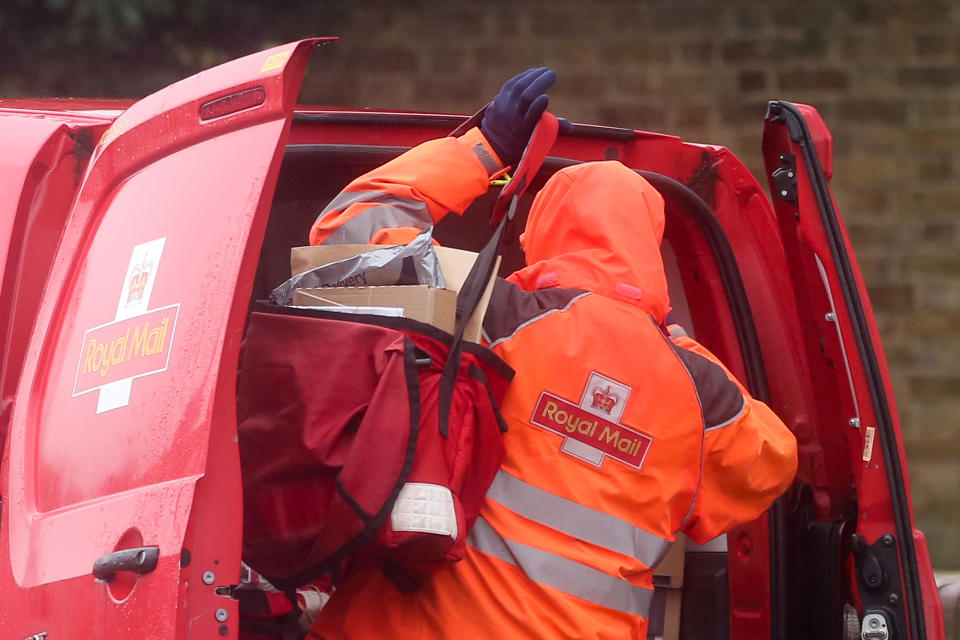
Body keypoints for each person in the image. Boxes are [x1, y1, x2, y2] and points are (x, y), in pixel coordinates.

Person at [306, 68, 798, 640]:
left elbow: (349, 239)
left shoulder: (490, 311)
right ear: (649, 245)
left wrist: (482, 151)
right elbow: (771, 463)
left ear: (541, 234)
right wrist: (663, 333)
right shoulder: (696, 389)